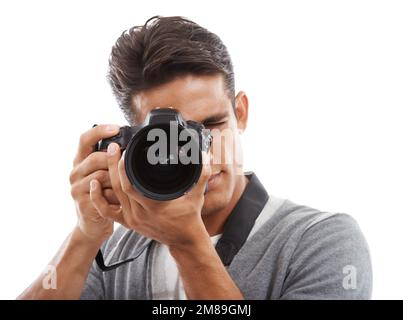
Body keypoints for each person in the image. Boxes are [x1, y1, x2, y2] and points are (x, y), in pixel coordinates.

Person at [18, 16, 372, 300]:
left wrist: (187, 244)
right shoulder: (117, 247)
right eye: (169, 138)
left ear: (241, 113)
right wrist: (85, 235)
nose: (200, 159)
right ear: (135, 143)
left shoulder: (322, 240)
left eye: (211, 125)